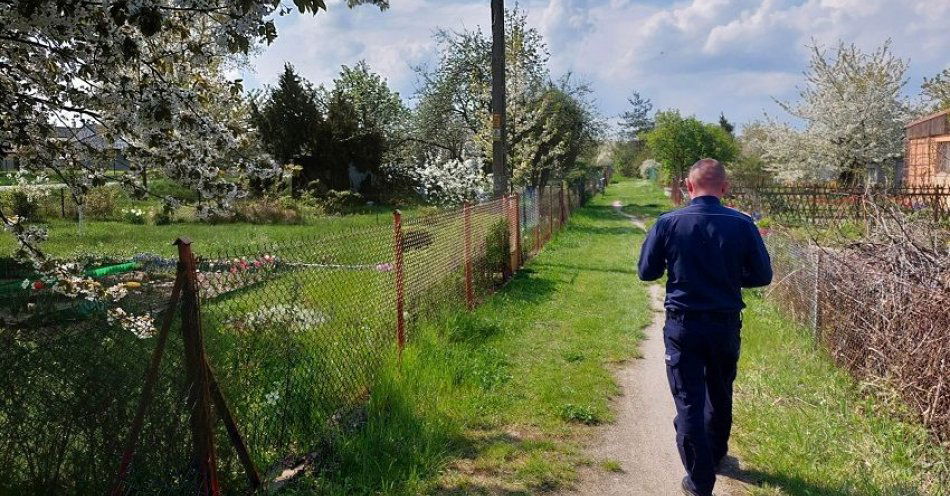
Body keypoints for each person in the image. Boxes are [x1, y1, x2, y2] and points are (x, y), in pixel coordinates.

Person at [637, 159, 772, 496]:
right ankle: (715, 456)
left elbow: (647, 272)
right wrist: (729, 278)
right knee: (720, 390)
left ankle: (699, 482)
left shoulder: (668, 223)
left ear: (689, 186)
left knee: (689, 401)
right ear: (724, 188)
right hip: (725, 324)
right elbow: (762, 276)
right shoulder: (742, 224)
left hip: (684, 326)